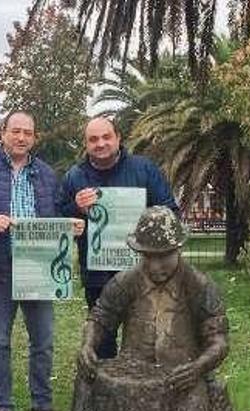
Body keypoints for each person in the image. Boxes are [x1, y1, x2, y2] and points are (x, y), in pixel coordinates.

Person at [68, 206, 228, 411]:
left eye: (163, 256)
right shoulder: (125, 281)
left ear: (178, 249)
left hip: (180, 370)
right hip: (132, 364)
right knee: (85, 377)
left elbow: (219, 341)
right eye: (148, 256)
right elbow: (99, 317)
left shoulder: (199, 286)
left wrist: (198, 367)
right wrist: (88, 345)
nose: (155, 266)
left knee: (195, 395)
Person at [0, 111, 81, 411]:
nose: (21, 137)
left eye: (27, 132)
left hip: (40, 269)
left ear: (34, 137)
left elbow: (55, 213)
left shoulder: (45, 173)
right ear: (3, 133)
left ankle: (42, 405)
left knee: (42, 340)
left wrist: (69, 224)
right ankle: (3, 407)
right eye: (15, 131)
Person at [58, 117, 179, 359]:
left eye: (106, 137)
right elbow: (59, 219)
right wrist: (76, 208)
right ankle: (105, 391)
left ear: (118, 138)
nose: (100, 143)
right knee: (102, 338)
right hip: (97, 275)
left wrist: (149, 224)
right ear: (86, 144)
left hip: (143, 272)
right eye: (93, 139)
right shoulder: (74, 177)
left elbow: (170, 211)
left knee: (145, 336)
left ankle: (143, 391)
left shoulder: (144, 169)